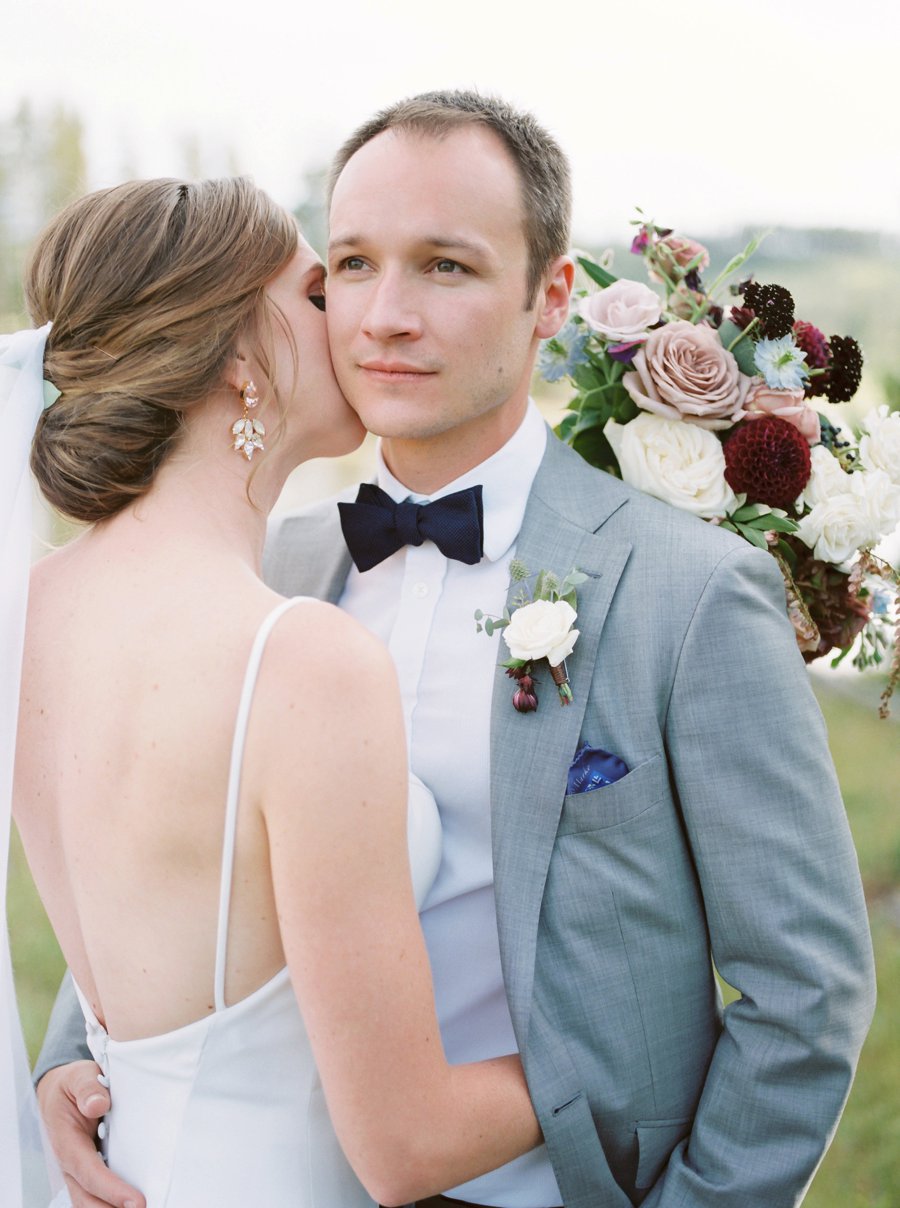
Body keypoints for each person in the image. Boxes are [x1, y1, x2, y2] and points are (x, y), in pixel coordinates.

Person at [36, 92, 876, 1208]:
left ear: (551, 296)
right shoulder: (268, 576)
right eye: (350, 266)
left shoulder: (688, 592)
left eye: (445, 266)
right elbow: (162, 856)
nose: (384, 316)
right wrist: (74, 1054)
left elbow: (804, 992)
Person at [5, 176, 545, 1208]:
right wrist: (638, 1051)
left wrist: (59, 1068)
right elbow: (406, 1143)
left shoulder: (30, 614)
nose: (351, 317)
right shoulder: (299, 660)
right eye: (315, 288)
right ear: (241, 362)